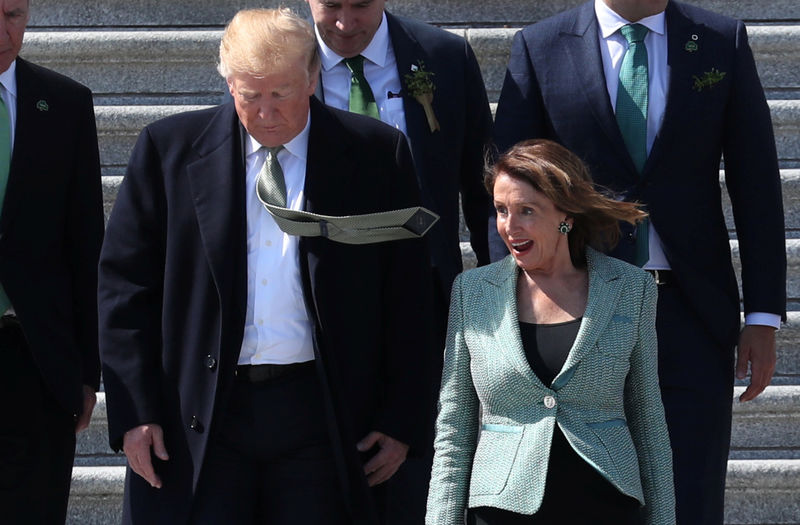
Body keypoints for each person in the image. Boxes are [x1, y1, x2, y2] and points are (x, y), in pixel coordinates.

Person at [98, 8, 433, 524]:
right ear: (228, 84)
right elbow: (124, 290)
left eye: (281, 93)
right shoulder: (167, 152)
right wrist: (135, 412)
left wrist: (402, 417)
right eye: (250, 95)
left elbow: (409, 295)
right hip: (203, 413)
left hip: (323, 413)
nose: (266, 112)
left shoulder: (375, 155)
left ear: (314, 77)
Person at [491, 1, 786, 522]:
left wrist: (762, 314)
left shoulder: (720, 40)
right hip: (579, 309)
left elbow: (756, 181)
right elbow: (512, 189)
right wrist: (511, 304)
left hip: (691, 312)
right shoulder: (540, 47)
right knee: (592, 496)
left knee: (689, 495)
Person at [304, 1, 494, 518]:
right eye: (331, 7)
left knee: (417, 477)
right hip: (315, 308)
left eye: (361, 4)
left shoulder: (443, 56)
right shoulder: (282, 60)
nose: (346, 24)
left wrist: (505, 287)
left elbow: (484, 188)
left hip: (420, 302)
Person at [426, 139, 675, 525]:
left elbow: (647, 416)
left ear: (566, 215)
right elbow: (454, 427)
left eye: (527, 210)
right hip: (502, 509)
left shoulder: (629, 289)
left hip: (606, 503)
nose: (510, 226)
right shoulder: (472, 292)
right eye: (501, 210)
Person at [0, 0, 104, 522]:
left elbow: (86, 242)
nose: (2, 31)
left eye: (13, 14)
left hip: (35, 360)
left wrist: (88, 369)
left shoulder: (64, 102)